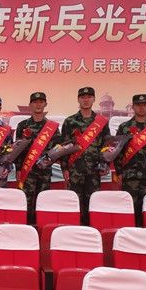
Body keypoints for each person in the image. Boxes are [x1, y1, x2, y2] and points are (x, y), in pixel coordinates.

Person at [60, 87, 111, 223]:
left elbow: (107, 145)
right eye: (83, 97)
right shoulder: (70, 121)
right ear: (78, 99)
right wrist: (64, 168)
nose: (86, 100)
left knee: (93, 203)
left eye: (89, 97)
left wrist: (105, 164)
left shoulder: (101, 122)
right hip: (74, 170)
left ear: (94, 99)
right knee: (74, 204)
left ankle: (91, 231)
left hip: (94, 171)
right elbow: (64, 146)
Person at [114, 94, 146, 222]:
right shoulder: (124, 127)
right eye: (138, 105)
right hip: (129, 176)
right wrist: (119, 172)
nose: (141, 107)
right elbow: (117, 151)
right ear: (133, 107)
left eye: (144, 105)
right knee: (130, 210)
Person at [14, 91, 60, 213]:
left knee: (43, 202)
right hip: (27, 170)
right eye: (35, 102)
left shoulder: (52, 127)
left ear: (45, 104)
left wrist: (50, 160)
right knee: (25, 202)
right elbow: (17, 150)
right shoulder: (22, 125)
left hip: (45, 170)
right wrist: (18, 169)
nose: (38, 105)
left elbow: (58, 148)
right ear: (30, 105)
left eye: (41, 102)